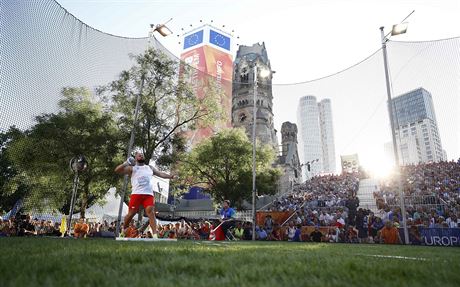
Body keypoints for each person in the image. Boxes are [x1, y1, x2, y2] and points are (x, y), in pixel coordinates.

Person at [115, 150, 175, 238]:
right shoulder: (132, 168)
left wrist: (171, 176)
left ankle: (155, 235)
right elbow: (117, 170)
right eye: (139, 155)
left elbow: (160, 173)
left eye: (142, 155)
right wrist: (126, 163)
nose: (141, 156)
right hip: (136, 194)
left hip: (148, 194)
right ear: (135, 158)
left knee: (150, 212)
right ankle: (124, 230)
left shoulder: (149, 168)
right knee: (131, 214)